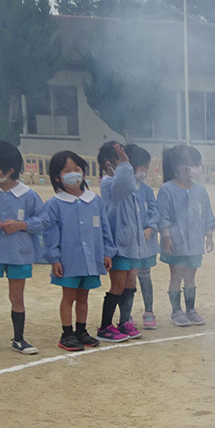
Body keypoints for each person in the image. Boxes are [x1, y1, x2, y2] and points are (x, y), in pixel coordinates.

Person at [0, 140, 46, 355]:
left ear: (9, 169)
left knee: (17, 298)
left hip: (18, 253)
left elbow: (43, 220)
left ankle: (19, 339)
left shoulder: (28, 195)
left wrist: (22, 225)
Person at [42, 151, 115, 352]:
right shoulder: (54, 204)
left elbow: (105, 228)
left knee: (84, 297)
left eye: (77, 169)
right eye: (67, 171)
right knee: (69, 297)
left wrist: (108, 251)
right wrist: (54, 258)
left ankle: (81, 331)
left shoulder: (95, 201)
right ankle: (66, 334)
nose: (74, 174)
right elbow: (50, 234)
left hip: (91, 259)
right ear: (58, 177)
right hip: (68, 260)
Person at [96, 141, 158, 342]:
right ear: (109, 164)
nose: (127, 167)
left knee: (131, 282)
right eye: (122, 163)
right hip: (119, 244)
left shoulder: (127, 184)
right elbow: (124, 185)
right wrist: (124, 164)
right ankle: (105, 326)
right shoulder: (108, 183)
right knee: (118, 285)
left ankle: (124, 322)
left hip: (133, 244)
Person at [157, 145, 215, 327]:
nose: (198, 167)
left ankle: (191, 309)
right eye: (194, 164)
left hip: (195, 242)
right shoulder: (167, 189)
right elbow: (163, 215)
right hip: (175, 242)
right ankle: (176, 311)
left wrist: (209, 235)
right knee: (176, 274)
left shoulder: (200, 190)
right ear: (181, 167)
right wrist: (166, 237)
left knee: (190, 275)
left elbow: (207, 214)